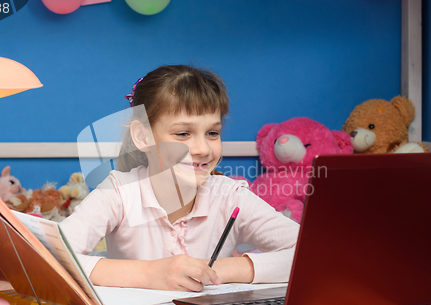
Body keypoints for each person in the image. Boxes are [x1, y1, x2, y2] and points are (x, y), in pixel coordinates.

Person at [61, 64, 299, 292]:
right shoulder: (119, 192)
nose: (203, 149)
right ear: (142, 137)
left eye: (212, 133)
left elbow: (315, 255)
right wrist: (150, 274)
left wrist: (218, 269)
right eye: (183, 133)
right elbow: (48, 258)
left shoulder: (230, 197)